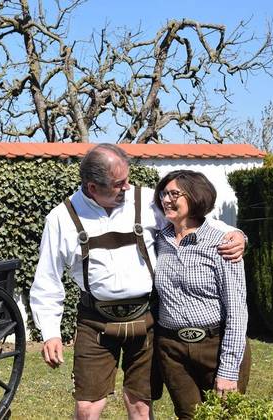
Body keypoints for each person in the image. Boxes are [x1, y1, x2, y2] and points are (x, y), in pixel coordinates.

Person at [29, 144, 245, 420]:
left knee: (140, 404)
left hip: (146, 319)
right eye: (119, 184)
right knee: (87, 407)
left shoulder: (145, 201)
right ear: (93, 187)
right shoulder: (62, 218)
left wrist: (237, 234)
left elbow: (195, 221)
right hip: (95, 320)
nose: (128, 187)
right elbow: (47, 279)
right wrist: (50, 331)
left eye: (128, 179)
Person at [152, 169, 251, 420]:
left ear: (195, 196)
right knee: (188, 415)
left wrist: (228, 370)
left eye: (174, 193)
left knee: (225, 416)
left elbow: (237, 310)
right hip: (171, 349)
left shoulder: (223, 244)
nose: (166, 199)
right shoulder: (158, 240)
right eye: (163, 193)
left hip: (215, 346)